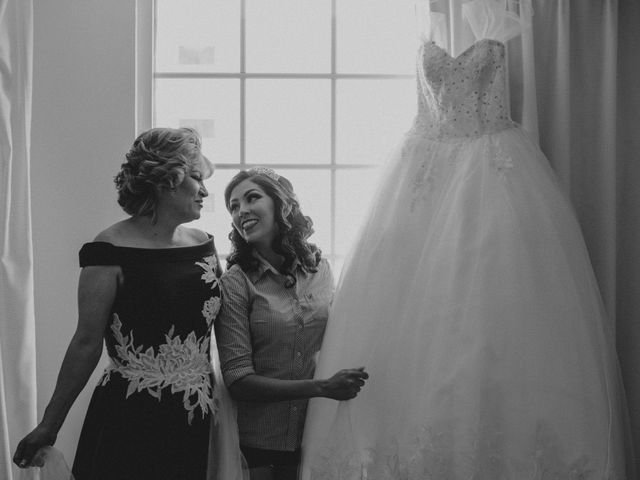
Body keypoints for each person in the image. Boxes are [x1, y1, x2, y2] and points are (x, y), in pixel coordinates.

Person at [300, 1, 635, 479]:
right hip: (421, 168)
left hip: (492, 164)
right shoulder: (429, 25)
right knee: (410, 311)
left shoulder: (497, 28)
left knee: (489, 308)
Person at [13, 127, 245, 479]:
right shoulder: (107, 251)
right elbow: (87, 341)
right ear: (169, 179)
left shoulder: (204, 245)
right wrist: (50, 423)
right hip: (130, 414)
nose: (205, 191)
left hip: (195, 413)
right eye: (197, 178)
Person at [215, 168, 369, 480]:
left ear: (281, 205)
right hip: (258, 446)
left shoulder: (319, 268)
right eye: (233, 206)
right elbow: (238, 380)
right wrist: (322, 388)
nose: (240, 210)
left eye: (251, 198)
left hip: (316, 434)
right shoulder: (235, 282)